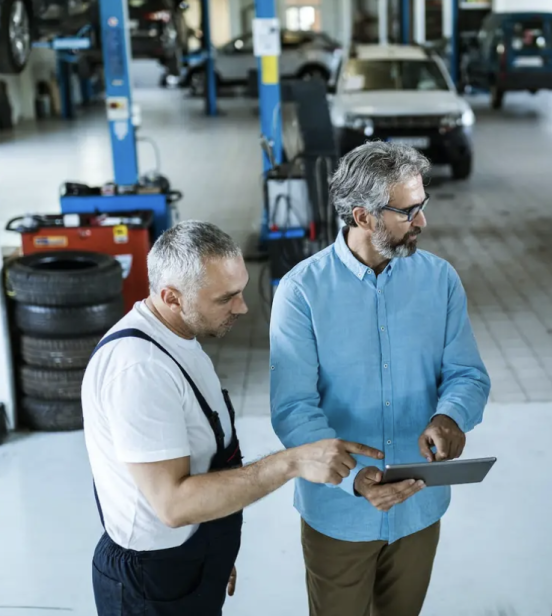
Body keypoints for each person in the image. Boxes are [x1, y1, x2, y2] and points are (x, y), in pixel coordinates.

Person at [81, 221, 382, 616]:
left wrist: (211, 555)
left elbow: (201, 459)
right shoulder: (140, 370)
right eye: (226, 298)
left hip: (187, 561)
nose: (242, 307)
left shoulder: (178, 338)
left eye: (240, 290)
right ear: (171, 297)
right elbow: (172, 505)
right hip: (152, 585)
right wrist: (290, 462)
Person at [270, 142, 491, 616]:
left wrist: (451, 416)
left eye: (422, 206)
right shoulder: (300, 293)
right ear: (362, 216)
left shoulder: (440, 280)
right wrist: (353, 478)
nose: (422, 222)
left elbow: (466, 373)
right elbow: (293, 409)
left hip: (418, 507)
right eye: (407, 211)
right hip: (340, 513)